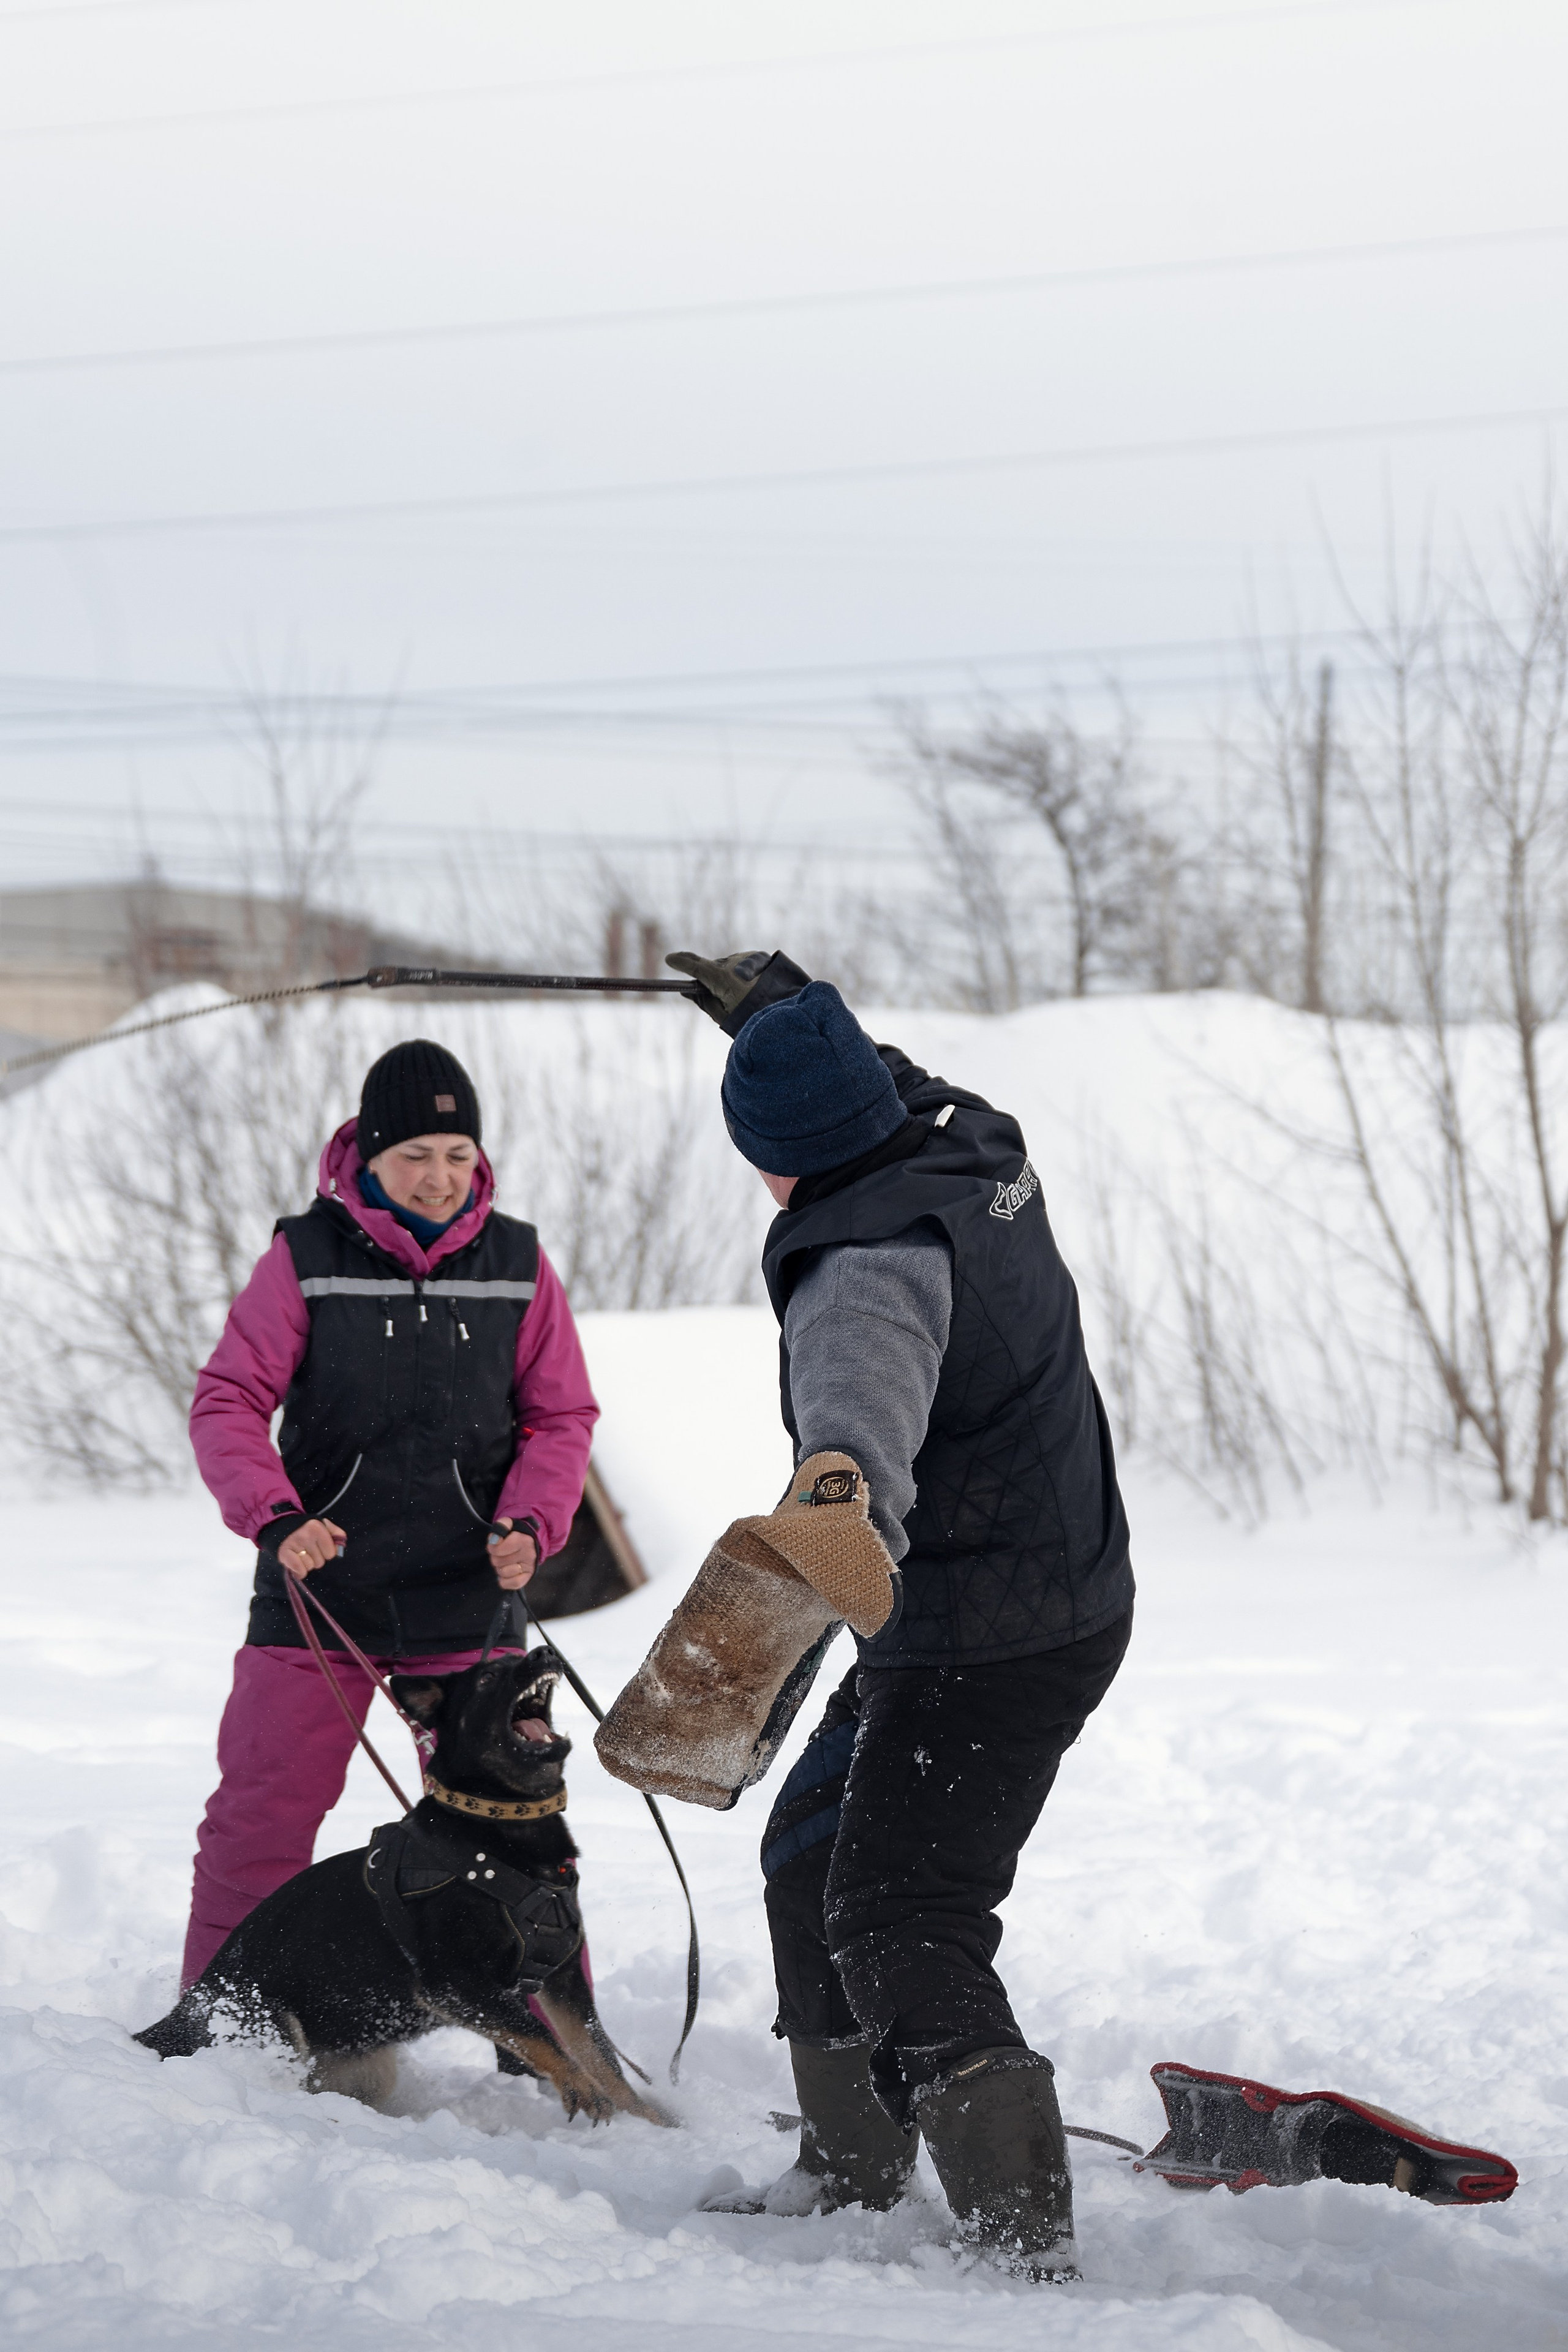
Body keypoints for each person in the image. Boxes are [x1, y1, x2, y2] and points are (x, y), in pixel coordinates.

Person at [668, 950, 1134, 2278]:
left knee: (898, 1913)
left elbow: (849, 1493)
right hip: (1002, 1589)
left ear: (770, 1157)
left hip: (994, 1635)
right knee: (808, 1856)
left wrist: (723, 1676)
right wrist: (783, 1009)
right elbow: (880, 1083)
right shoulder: (959, 1139)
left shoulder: (863, 1279)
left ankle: (1020, 2244)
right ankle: (851, 2167)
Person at [180, 1038, 598, 1991]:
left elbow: (562, 1415)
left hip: (468, 1601)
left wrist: (530, 1525)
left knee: (512, 1830)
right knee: (260, 1816)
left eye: (458, 1155)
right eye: (415, 1156)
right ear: (367, 1156)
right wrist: (277, 1517)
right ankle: (221, 2017)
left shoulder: (519, 1263)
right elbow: (227, 1400)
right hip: (320, 1593)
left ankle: (545, 2031)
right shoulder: (304, 1257)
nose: (440, 1178)